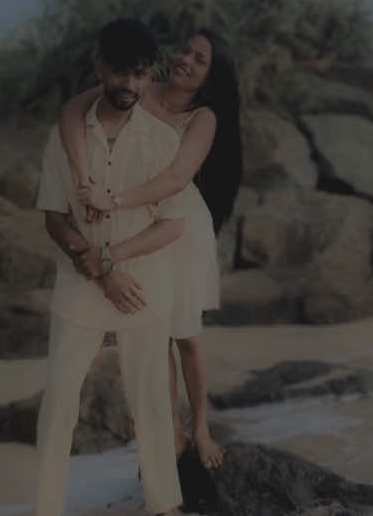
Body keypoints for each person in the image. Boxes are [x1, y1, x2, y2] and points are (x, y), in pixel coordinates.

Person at [59, 27, 242, 472]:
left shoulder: (203, 117)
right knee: (154, 334)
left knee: (186, 335)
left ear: (211, 75)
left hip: (180, 227)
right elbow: (72, 111)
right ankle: (172, 433)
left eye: (200, 60)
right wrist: (84, 177)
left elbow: (177, 178)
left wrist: (113, 200)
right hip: (140, 227)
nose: (186, 60)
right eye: (185, 50)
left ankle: (201, 427)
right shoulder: (139, 87)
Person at [35, 19, 190, 516]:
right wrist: (103, 272)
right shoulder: (66, 135)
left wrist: (112, 261)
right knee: (59, 402)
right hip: (80, 285)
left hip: (144, 287)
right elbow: (55, 218)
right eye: (121, 72)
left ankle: (164, 506)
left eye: (140, 74)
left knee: (152, 403)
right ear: (100, 66)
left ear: (151, 75)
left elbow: (172, 225)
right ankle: (45, 509)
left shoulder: (162, 140)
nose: (129, 84)